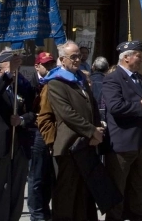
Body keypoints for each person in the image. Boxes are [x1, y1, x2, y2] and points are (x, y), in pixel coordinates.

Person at [46, 40, 105, 221]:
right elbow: (67, 113)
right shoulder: (56, 83)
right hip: (69, 145)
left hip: (86, 143)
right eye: (73, 57)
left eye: (79, 56)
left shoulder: (81, 78)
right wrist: (91, 131)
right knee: (67, 192)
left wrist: (98, 129)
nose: (78, 59)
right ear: (62, 60)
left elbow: (92, 105)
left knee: (84, 191)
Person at [103, 40, 142, 221]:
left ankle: (136, 216)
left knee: (138, 187)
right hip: (122, 144)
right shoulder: (112, 79)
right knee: (118, 187)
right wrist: (140, 105)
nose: (141, 59)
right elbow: (115, 107)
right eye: (138, 56)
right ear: (126, 58)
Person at [0, 49, 36, 221]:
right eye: (12, 68)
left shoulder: (22, 86)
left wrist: (22, 119)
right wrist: (8, 75)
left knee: (17, 187)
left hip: (19, 144)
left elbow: (32, 113)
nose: (16, 72)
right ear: (0, 68)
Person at [29, 51, 56, 221]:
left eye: (51, 64)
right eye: (45, 64)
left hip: (51, 131)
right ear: (37, 66)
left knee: (49, 176)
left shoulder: (55, 81)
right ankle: (37, 213)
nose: (49, 67)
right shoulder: (30, 83)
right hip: (36, 133)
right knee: (37, 176)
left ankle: (45, 209)